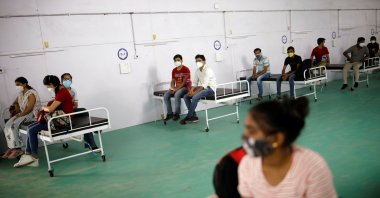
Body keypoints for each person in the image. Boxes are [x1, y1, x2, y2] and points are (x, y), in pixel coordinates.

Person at [238, 97, 337, 198]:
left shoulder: (312, 168)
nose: (245, 135)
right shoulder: (248, 164)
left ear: (277, 139)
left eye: (252, 130)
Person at [14, 75, 73, 168]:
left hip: (64, 120)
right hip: (58, 118)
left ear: (51, 84)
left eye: (47, 86)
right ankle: (28, 154)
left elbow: (50, 109)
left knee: (32, 130)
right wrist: (47, 106)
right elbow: (54, 104)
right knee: (30, 127)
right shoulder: (59, 91)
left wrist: (43, 107)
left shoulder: (62, 92)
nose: (48, 88)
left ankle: (33, 157)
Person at [2, 77, 40, 159]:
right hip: (23, 112)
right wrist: (14, 107)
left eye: (18, 84)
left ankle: (18, 148)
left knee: (13, 125)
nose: (17, 86)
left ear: (24, 84)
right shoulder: (21, 93)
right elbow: (16, 103)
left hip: (32, 113)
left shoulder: (31, 93)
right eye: (16, 85)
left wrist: (20, 115)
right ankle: (12, 147)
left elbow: (30, 108)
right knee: (7, 125)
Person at [61, 73, 98, 151]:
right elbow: (58, 105)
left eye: (69, 79)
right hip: (62, 113)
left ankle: (92, 140)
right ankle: (93, 140)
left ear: (71, 80)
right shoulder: (59, 91)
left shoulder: (73, 91)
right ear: (61, 80)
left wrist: (70, 107)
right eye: (65, 79)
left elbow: (76, 105)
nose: (67, 81)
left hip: (71, 111)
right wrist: (68, 107)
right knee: (84, 112)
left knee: (84, 112)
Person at [181, 55, 216, 125]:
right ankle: (194, 116)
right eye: (196, 61)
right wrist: (191, 90)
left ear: (204, 61)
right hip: (203, 87)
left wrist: (194, 93)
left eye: (199, 60)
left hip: (210, 88)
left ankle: (189, 116)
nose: (198, 62)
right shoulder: (197, 71)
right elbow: (195, 83)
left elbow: (204, 85)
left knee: (194, 97)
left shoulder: (208, 70)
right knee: (186, 96)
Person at [163, 54, 191, 121]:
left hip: (185, 87)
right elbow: (173, 81)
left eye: (178, 60)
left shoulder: (186, 69)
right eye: (175, 60)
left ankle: (177, 114)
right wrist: (172, 88)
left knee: (177, 94)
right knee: (166, 95)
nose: (177, 61)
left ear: (182, 60)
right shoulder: (174, 70)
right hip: (177, 87)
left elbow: (184, 82)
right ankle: (170, 113)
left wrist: (175, 89)